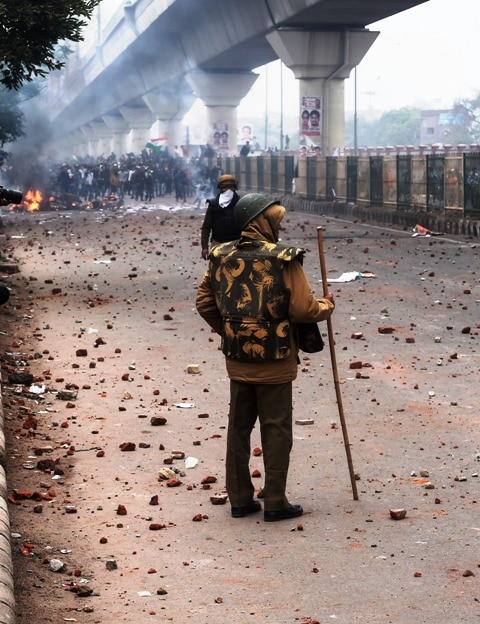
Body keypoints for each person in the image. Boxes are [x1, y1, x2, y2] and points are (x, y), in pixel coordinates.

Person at [196, 193, 335, 522]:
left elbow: (204, 302)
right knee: (276, 431)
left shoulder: (220, 255)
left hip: (237, 359)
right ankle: (275, 501)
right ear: (261, 222)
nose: (279, 226)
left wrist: (232, 330)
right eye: (276, 221)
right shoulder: (284, 259)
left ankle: (240, 500)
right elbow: (304, 309)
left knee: (238, 429)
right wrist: (327, 305)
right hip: (275, 360)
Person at [200, 174, 241, 260]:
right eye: (225, 187)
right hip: (218, 244)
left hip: (236, 246)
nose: (228, 190)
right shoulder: (214, 205)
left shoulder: (241, 203)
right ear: (220, 188)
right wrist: (204, 247)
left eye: (230, 187)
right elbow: (206, 227)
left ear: (235, 188)